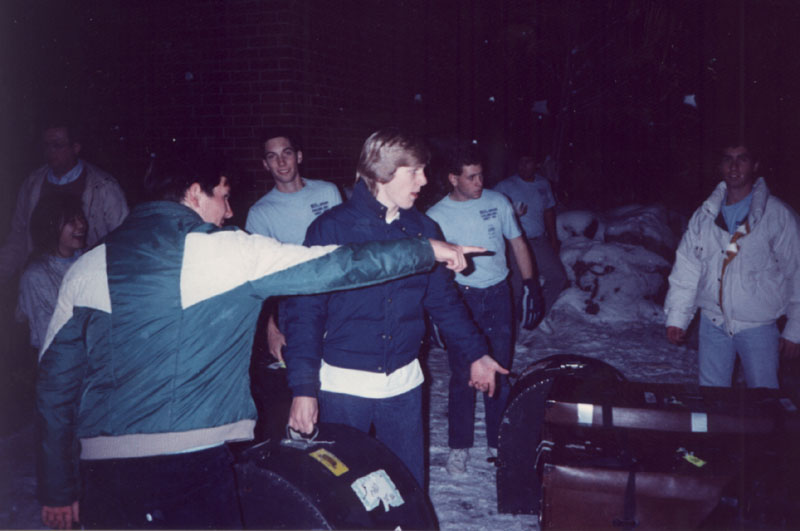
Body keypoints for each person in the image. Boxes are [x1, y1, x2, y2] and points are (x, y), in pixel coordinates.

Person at [35, 153, 483, 530]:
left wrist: (58, 485)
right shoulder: (227, 251)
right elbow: (336, 265)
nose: (229, 212)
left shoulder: (86, 267)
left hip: (103, 474)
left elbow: (55, 387)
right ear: (195, 193)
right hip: (191, 465)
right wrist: (427, 250)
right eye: (224, 197)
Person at [283, 128, 509, 488]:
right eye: (414, 171)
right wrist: (303, 389)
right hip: (344, 386)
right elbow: (304, 315)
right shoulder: (331, 229)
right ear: (382, 172)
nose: (424, 179)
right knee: (344, 495)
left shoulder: (423, 228)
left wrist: (476, 353)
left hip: (403, 386)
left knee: (407, 490)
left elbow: (443, 301)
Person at [427, 143, 542, 475]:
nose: (480, 182)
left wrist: (531, 284)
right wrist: (434, 312)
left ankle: (498, 441)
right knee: (462, 374)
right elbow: (432, 267)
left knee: (500, 370)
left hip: (497, 295)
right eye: (472, 177)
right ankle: (459, 446)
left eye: (481, 175)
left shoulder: (497, 202)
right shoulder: (436, 216)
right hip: (460, 299)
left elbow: (517, 242)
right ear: (453, 179)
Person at [664, 140, 800, 388]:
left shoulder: (777, 215)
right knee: (711, 398)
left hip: (757, 326)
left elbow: (797, 271)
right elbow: (687, 268)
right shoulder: (705, 215)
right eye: (728, 159)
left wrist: (795, 328)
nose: (734, 166)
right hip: (712, 323)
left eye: (742, 159)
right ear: (720, 166)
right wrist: (677, 317)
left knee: (764, 399)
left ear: (755, 165)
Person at [246, 130, 342, 361]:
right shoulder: (260, 213)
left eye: (286, 153)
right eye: (272, 156)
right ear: (265, 164)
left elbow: (345, 248)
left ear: (298, 156)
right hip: (297, 307)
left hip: (337, 297)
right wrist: (271, 330)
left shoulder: (328, 191)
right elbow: (257, 278)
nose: (281, 162)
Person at [0, 120, 128, 282]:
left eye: (57, 145)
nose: (50, 151)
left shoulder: (104, 187)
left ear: (76, 148)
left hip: (87, 280)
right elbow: (18, 235)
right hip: (40, 280)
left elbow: (123, 238)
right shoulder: (32, 184)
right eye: (46, 145)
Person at [494, 152, 567, 315]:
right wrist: (510, 213)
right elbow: (490, 211)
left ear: (537, 164)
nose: (523, 165)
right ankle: (515, 332)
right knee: (517, 287)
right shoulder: (505, 186)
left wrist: (554, 239)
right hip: (516, 243)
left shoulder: (543, 183)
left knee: (558, 277)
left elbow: (549, 211)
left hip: (539, 240)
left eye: (528, 161)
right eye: (520, 162)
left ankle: (535, 314)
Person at [16, 195, 87, 351]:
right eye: (71, 221)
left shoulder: (90, 261)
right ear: (51, 226)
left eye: (81, 218)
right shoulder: (36, 276)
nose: (81, 225)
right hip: (59, 361)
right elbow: (48, 336)